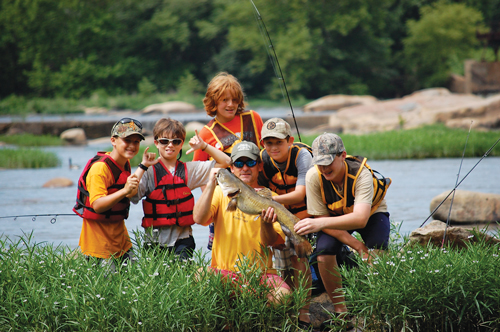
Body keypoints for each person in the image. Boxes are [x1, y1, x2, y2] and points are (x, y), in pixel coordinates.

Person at [294, 133, 391, 329]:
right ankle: (341, 312)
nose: (324, 168)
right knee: (323, 253)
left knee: (377, 252)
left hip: (370, 213)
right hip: (333, 216)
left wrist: (318, 224)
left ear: (342, 155)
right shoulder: (314, 175)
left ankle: (377, 306)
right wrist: (356, 245)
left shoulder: (361, 174)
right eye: (319, 162)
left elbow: (360, 219)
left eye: (328, 162)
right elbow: (322, 220)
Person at [193, 141, 291, 303]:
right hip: (225, 272)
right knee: (199, 276)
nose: (244, 168)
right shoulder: (219, 192)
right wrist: (210, 183)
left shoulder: (270, 197)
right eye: (239, 163)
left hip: (262, 274)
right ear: (231, 168)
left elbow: (274, 242)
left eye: (250, 162)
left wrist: (265, 222)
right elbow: (198, 219)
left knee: (283, 297)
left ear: (259, 166)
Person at [130, 118, 231, 260]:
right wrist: (142, 166)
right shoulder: (148, 172)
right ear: (156, 143)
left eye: (175, 141)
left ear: (181, 144)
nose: (170, 145)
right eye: (164, 141)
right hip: (153, 242)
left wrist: (204, 146)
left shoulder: (189, 170)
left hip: (182, 241)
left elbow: (226, 162)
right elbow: (131, 195)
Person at [192, 72, 264, 250]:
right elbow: (200, 175)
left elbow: (265, 153)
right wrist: (213, 203)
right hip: (227, 202)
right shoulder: (206, 134)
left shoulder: (253, 118)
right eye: (224, 100)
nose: (230, 104)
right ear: (213, 102)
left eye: (234, 99)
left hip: (257, 197)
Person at [258, 118, 313, 327]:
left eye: (278, 142)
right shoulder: (263, 160)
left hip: (304, 216)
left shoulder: (302, 156)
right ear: (263, 144)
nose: (273, 147)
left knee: (299, 260)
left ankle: (304, 312)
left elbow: (300, 194)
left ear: (289, 141)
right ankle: (290, 308)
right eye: (268, 143)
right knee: (283, 263)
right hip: (279, 216)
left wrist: (268, 201)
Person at [73, 117, 144, 268]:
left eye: (136, 142)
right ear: (113, 140)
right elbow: (97, 205)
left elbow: (129, 193)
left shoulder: (125, 162)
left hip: (121, 243)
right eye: (127, 140)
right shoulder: (100, 169)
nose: (132, 146)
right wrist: (124, 191)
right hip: (99, 247)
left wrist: (143, 167)